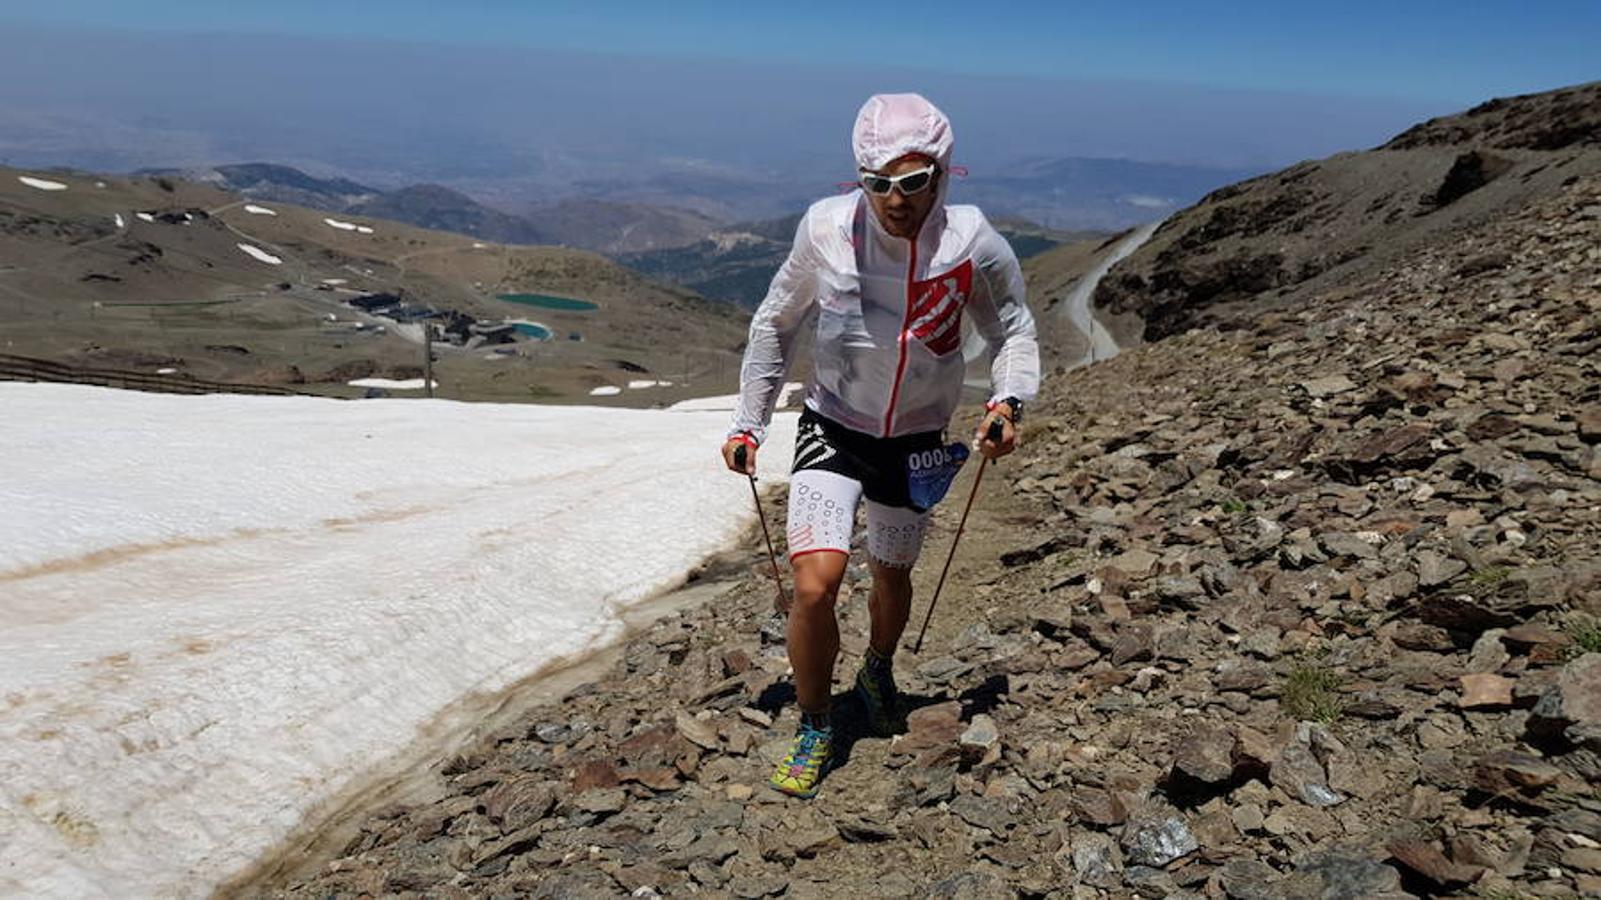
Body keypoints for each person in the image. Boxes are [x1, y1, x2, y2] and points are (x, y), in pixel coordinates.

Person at [721, 93, 1039, 799]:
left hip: (917, 438)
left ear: (944, 171)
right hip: (832, 425)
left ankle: (878, 668)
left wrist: (1007, 401)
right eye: (876, 182)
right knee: (814, 584)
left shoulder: (973, 243)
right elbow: (776, 323)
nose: (894, 199)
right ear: (857, 178)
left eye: (913, 181)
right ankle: (815, 721)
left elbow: (1012, 329)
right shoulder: (825, 229)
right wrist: (750, 422)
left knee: (890, 575)